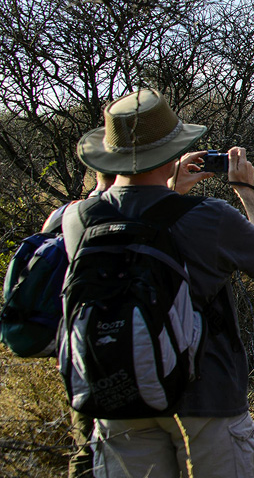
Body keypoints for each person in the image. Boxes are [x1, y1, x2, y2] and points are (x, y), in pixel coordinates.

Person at [60, 88, 254, 478]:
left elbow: (136, 222)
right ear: (171, 151)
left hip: (118, 395)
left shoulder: (78, 218)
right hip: (205, 396)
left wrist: (167, 189)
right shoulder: (207, 216)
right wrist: (245, 189)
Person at [41, 171, 116, 478]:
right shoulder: (127, 211)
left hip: (74, 344)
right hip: (121, 342)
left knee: (85, 443)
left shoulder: (64, 213)